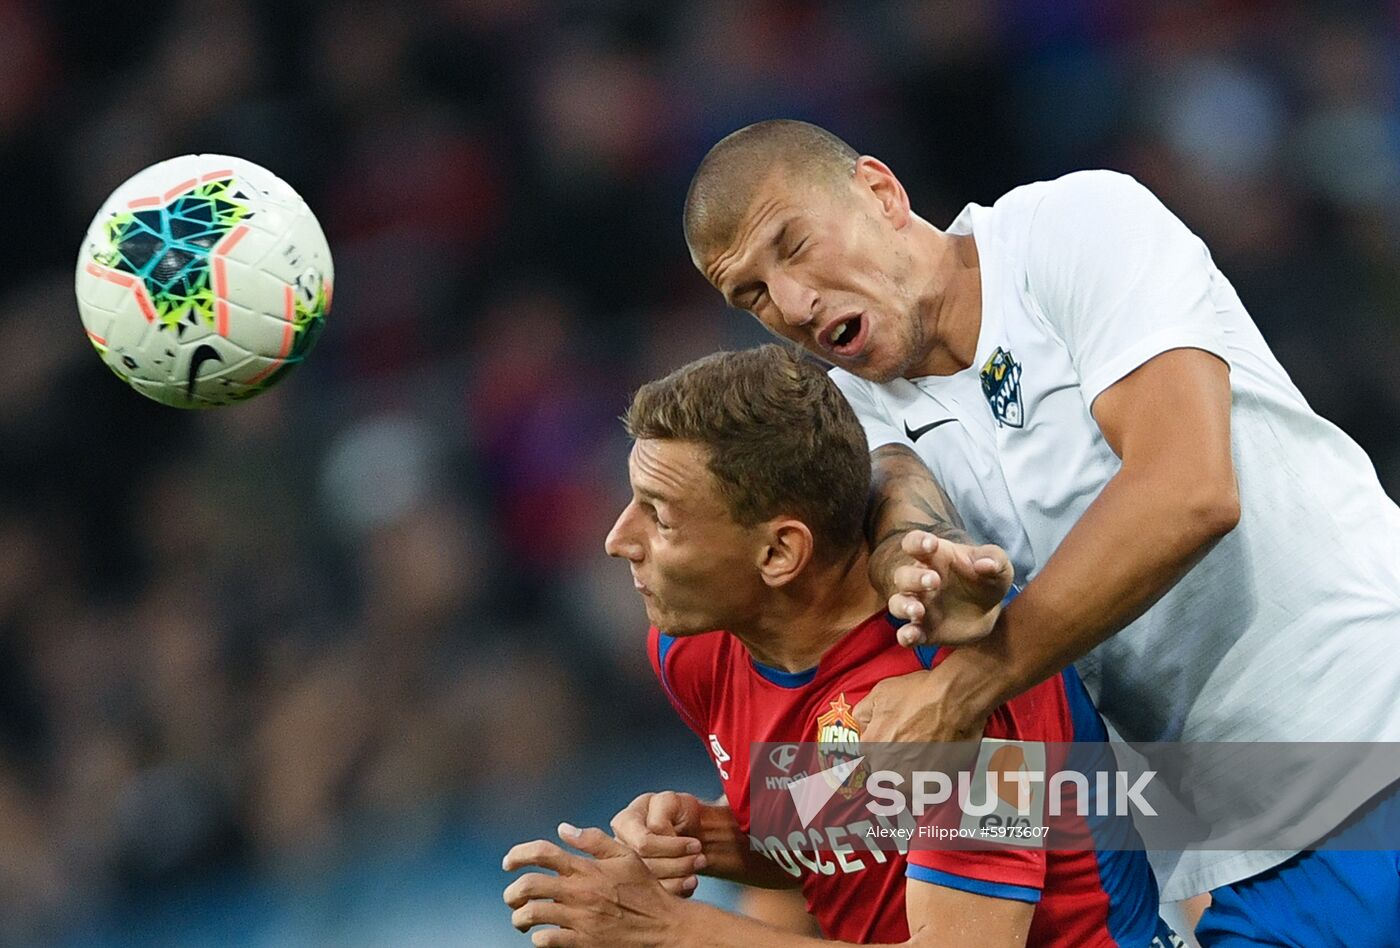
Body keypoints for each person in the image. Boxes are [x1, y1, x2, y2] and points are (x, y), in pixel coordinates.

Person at [682, 119, 1400, 945]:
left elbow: (1189, 490)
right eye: (755, 295)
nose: (795, 303)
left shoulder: (1073, 228)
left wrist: (964, 683)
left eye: (796, 245)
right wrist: (722, 839)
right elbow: (904, 527)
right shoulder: (851, 420)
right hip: (1237, 844)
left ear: (880, 193)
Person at [502, 345, 1180, 946]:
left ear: (779, 551)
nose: (618, 539)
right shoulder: (695, 650)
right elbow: (858, 836)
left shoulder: (957, 687)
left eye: (662, 517)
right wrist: (710, 838)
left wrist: (670, 930)